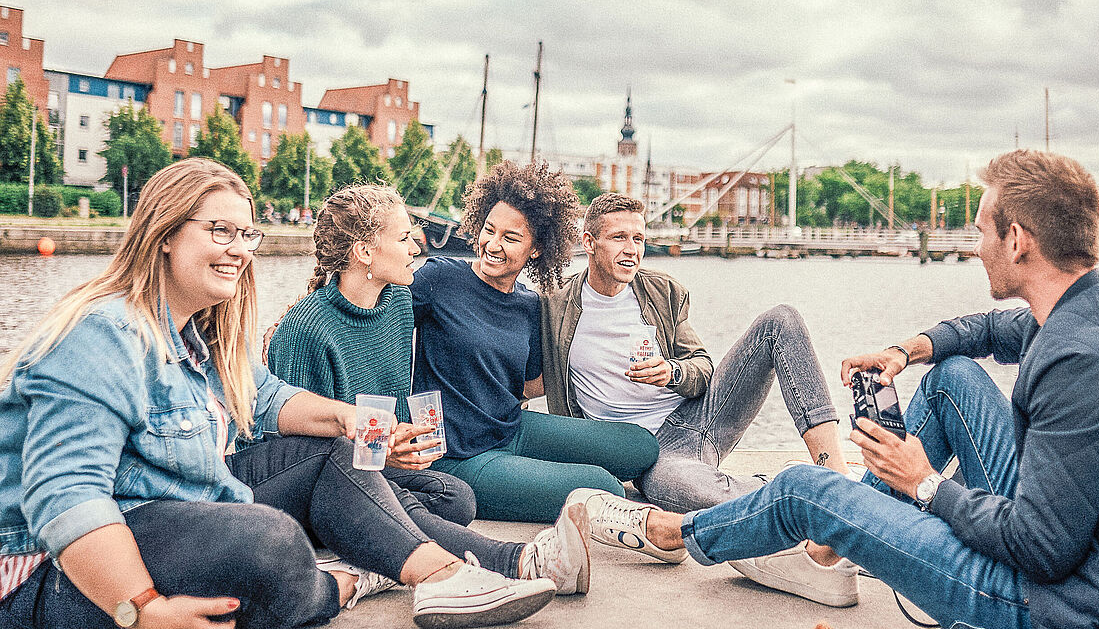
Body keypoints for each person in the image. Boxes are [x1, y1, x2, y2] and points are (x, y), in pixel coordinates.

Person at [624, 150, 1099, 629]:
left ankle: (675, 532)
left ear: (1018, 240)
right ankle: (834, 548)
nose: (974, 245)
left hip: (1081, 622)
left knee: (805, 490)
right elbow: (994, 331)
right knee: (951, 377)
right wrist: (905, 352)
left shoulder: (1081, 362)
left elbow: (1038, 548)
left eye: (980, 230)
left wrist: (923, 483)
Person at [0, 160, 561, 629]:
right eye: (218, 231)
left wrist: (348, 419)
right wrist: (140, 609)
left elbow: (268, 399)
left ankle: (449, 575)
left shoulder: (207, 331)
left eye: (246, 234)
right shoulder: (104, 334)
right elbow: (68, 495)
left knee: (338, 457)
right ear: (166, 234)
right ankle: (346, 581)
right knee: (272, 544)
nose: (239, 249)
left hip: (173, 511)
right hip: (55, 579)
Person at [266, 184, 590, 595]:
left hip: (373, 466)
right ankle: (517, 561)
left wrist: (398, 442)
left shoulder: (399, 305)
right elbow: (295, 452)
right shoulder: (306, 330)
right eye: (403, 238)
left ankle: (374, 556)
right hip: (317, 483)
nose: (415, 248)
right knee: (398, 503)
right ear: (365, 252)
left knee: (456, 498)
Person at [540, 193, 856, 592]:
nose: (632, 250)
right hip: (651, 453)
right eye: (619, 238)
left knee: (781, 320)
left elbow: (703, 368)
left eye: (638, 239)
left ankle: (835, 475)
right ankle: (801, 496)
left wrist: (671, 372)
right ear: (588, 242)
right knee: (695, 496)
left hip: (700, 415)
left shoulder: (663, 291)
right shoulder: (555, 306)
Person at [410, 161, 660, 524]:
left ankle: (521, 472)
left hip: (512, 428)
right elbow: (378, 314)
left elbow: (531, 384)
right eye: (488, 230)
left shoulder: (529, 303)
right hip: (458, 455)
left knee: (640, 446)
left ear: (537, 249)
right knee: (604, 487)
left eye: (510, 238)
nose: (491, 245)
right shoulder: (440, 278)